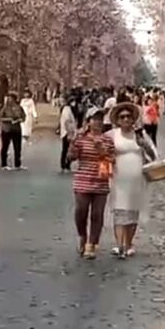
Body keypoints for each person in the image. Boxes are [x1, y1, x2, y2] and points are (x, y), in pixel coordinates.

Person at [107, 101, 156, 259]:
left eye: (129, 116)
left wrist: (144, 145)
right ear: (118, 120)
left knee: (132, 211)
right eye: (122, 117)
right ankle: (119, 244)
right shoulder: (112, 135)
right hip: (118, 178)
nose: (126, 119)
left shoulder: (139, 135)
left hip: (137, 178)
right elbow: (100, 148)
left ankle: (129, 243)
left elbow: (153, 154)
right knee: (120, 210)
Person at [68, 107, 114, 260]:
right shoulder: (81, 138)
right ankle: (82, 235)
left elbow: (113, 160)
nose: (98, 122)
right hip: (83, 180)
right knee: (81, 211)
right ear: (88, 121)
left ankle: (91, 244)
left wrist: (103, 152)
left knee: (97, 214)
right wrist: (74, 142)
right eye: (94, 119)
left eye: (100, 119)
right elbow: (71, 157)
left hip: (101, 181)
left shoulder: (107, 140)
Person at [0, 93, 26, 171]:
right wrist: (9, 120)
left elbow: (23, 117)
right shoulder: (4, 108)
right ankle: (4, 164)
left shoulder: (19, 108)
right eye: (8, 98)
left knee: (18, 147)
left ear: (14, 99)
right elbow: (1, 118)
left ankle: (17, 164)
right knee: (5, 147)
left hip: (16, 129)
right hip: (6, 129)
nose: (9, 100)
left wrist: (20, 120)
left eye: (10, 98)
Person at [59, 97, 78, 173]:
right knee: (66, 149)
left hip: (70, 132)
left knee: (69, 149)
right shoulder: (67, 110)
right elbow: (66, 122)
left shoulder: (69, 109)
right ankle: (64, 165)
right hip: (67, 133)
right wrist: (69, 133)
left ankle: (67, 165)